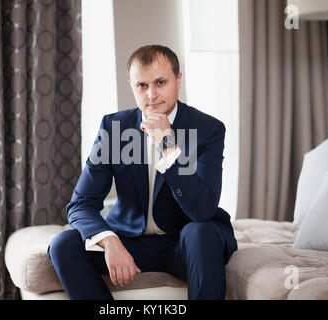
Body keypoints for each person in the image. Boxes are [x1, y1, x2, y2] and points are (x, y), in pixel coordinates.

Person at [48, 45, 237, 300]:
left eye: (160, 82)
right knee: (63, 245)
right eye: (142, 85)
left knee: (200, 232)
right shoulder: (114, 128)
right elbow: (81, 203)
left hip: (185, 244)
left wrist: (168, 147)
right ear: (131, 85)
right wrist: (109, 241)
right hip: (131, 242)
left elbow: (202, 210)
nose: (151, 95)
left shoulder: (208, 129)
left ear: (178, 79)